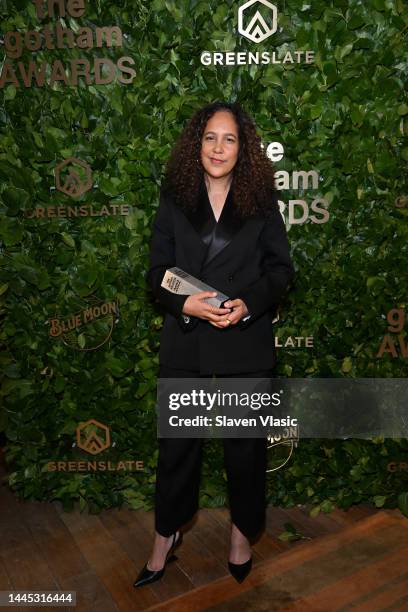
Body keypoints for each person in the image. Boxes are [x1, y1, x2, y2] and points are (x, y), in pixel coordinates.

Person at [134, 101, 295, 587]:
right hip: (188, 343)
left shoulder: (262, 205)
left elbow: (281, 272)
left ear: (242, 149)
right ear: (195, 145)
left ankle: (242, 536)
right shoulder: (173, 200)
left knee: (244, 451)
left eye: (229, 139)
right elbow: (155, 274)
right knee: (177, 450)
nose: (218, 147)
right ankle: (165, 537)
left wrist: (247, 303)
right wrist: (187, 306)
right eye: (209, 137)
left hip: (244, 342)